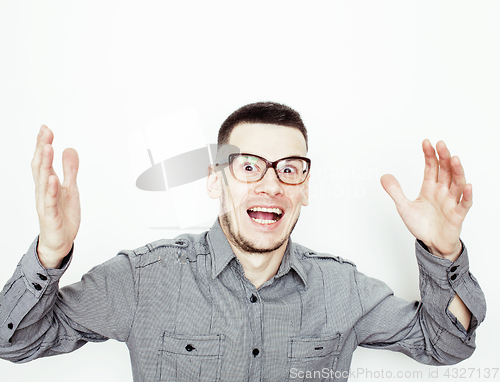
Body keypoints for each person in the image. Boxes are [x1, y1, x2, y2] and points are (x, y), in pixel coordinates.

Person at [0, 102, 486, 381]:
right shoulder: (142, 281)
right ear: (216, 182)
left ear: (305, 188)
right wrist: (49, 253)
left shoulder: (345, 290)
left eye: (289, 169)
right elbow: (15, 342)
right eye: (248, 166)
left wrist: (444, 254)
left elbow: (445, 346)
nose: (270, 184)